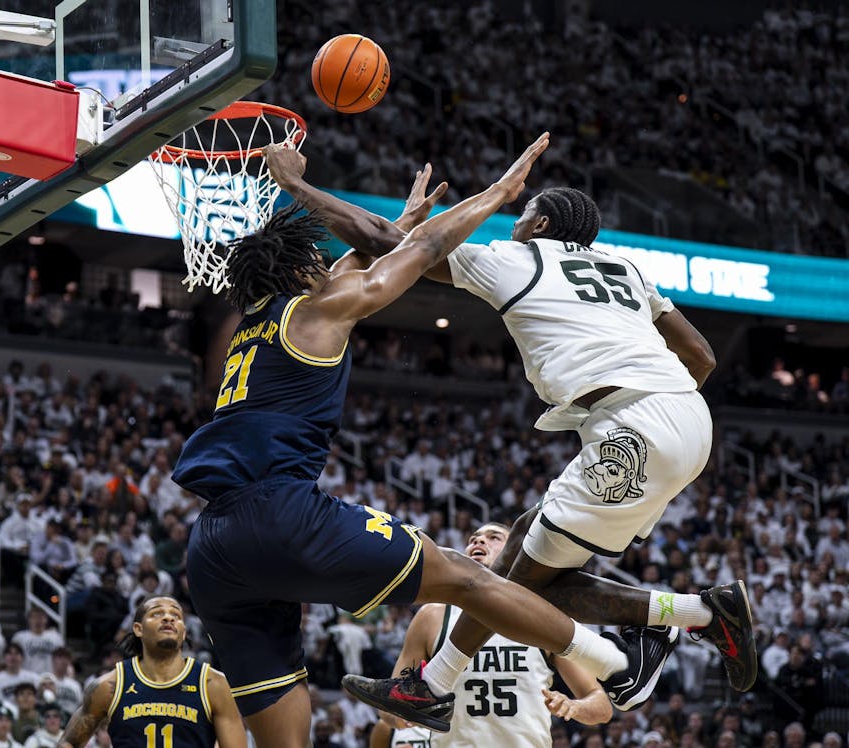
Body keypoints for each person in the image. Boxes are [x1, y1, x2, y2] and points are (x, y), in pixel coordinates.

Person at [170, 136, 672, 748]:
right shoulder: (319, 309)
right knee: (468, 578)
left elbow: (362, 262)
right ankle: (615, 663)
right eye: (316, 261)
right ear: (301, 271)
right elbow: (427, 250)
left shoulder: (256, 327)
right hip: (280, 514)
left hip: (213, 547)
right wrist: (499, 194)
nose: (328, 266)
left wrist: (401, 221)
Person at [264, 147, 757, 728]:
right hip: (688, 417)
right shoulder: (626, 270)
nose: (513, 222)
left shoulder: (518, 260)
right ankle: (687, 618)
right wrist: (657, 412)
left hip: (635, 427)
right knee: (522, 554)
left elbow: (386, 242)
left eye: (522, 215)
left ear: (540, 224)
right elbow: (701, 356)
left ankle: (683, 620)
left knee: (515, 589)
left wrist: (296, 185)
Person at [371, 522, 612, 748]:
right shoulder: (432, 616)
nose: (478, 541)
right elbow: (389, 705)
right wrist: (401, 717)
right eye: (473, 539)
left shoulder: (543, 616)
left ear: (515, 554)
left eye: (493, 537)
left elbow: (600, 705)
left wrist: (573, 707)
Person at [55, 595, 244, 748]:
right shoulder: (110, 685)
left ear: (184, 632)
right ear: (138, 629)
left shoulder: (213, 684)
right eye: (157, 613)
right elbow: (69, 742)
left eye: (176, 615)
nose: (169, 618)